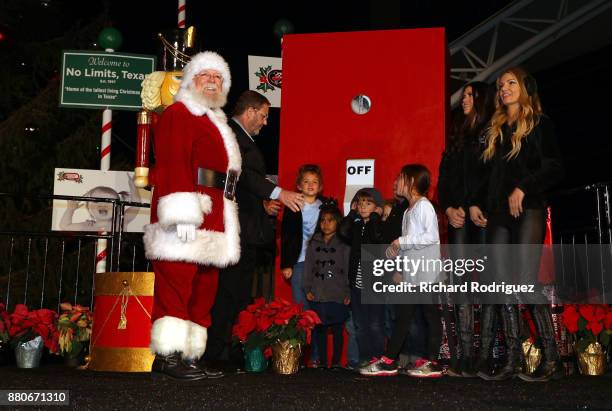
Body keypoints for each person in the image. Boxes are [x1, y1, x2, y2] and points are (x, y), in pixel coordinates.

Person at [143, 51, 239, 380]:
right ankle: (167, 356)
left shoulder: (215, 121)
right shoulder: (179, 113)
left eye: (218, 78)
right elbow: (172, 163)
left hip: (213, 213)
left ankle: (190, 355)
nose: (212, 82)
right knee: (176, 281)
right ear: (190, 80)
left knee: (203, 288)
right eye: (205, 76)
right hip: (187, 209)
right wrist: (181, 212)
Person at [205, 90, 304, 369]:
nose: (265, 122)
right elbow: (242, 175)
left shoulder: (241, 138)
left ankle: (230, 351)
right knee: (228, 292)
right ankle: (218, 354)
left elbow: (240, 186)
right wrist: (278, 193)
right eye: (263, 116)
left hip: (245, 226)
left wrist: (262, 205)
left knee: (236, 292)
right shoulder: (232, 136)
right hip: (234, 230)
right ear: (249, 112)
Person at [476, 67, 564, 382]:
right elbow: (485, 175)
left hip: (529, 208)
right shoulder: (494, 129)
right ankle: (513, 358)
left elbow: (555, 167)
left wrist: (524, 187)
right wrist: (476, 204)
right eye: (500, 85)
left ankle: (552, 359)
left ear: (525, 88)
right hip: (498, 213)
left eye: (511, 83)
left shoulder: (540, 124)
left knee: (526, 282)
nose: (504, 89)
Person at [360, 164, 444, 378]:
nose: (396, 181)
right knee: (402, 317)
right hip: (412, 274)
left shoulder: (424, 206)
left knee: (430, 316)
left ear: (412, 183)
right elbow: (410, 244)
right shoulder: (408, 211)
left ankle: (433, 362)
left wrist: (402, 241)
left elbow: (431, 237)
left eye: (401, 178)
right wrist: (396, 251)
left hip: (427, 273)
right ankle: (389, 360)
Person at [437, 81, 494, 377]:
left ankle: (483, 356)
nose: (465, 99)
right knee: (459, 282)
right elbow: (444, 178)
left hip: (482, 214)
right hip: (458, 216)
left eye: (471, 95)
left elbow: (491, 176)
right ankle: (461, 355)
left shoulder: (491, 132)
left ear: (483, 99)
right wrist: (448, 208)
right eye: (464, 95)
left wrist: (474, 203)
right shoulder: (456, 135)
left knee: (484, 283)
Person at [339, 187, 385, 366]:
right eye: (361, 203)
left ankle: (378, 358)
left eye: (369, 203)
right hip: (357, 285)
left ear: (377, 207)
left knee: (375, 323)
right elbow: (342, 232)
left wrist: (375, 217)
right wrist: (352, 213)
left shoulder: (379, 224)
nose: (364, 206)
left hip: (374, 284)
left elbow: (377, 237)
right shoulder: (356, 225)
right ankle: (366, 358)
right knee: (360, 324)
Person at [303, 199, 350, 370]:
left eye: (330, 220)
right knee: (320, 328)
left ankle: (336, 361)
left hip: (337, 293)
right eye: (323, 220)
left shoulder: (344, 245)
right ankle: (322, 361)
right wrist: (307, 288)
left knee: (338, 328)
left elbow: (347, 269)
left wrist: (348, 292)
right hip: (318, 292)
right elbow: (308, 267)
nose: (326, 223)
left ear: (337, 222)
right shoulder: (313, 243)